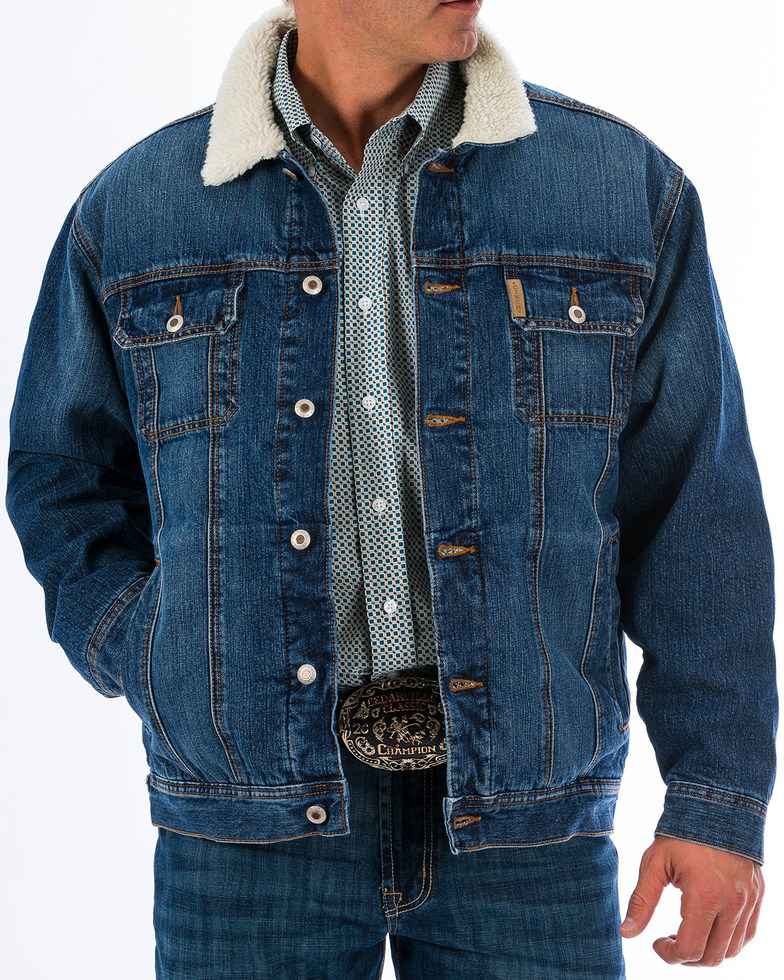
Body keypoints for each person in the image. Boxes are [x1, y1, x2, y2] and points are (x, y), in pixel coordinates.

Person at [6, 1, 776, 977]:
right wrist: (153, 646)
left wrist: (714, 801)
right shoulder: (140, 210)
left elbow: (696, 508)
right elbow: (63, 475)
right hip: (246, 826)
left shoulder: (618, 189)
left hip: (527, 821)